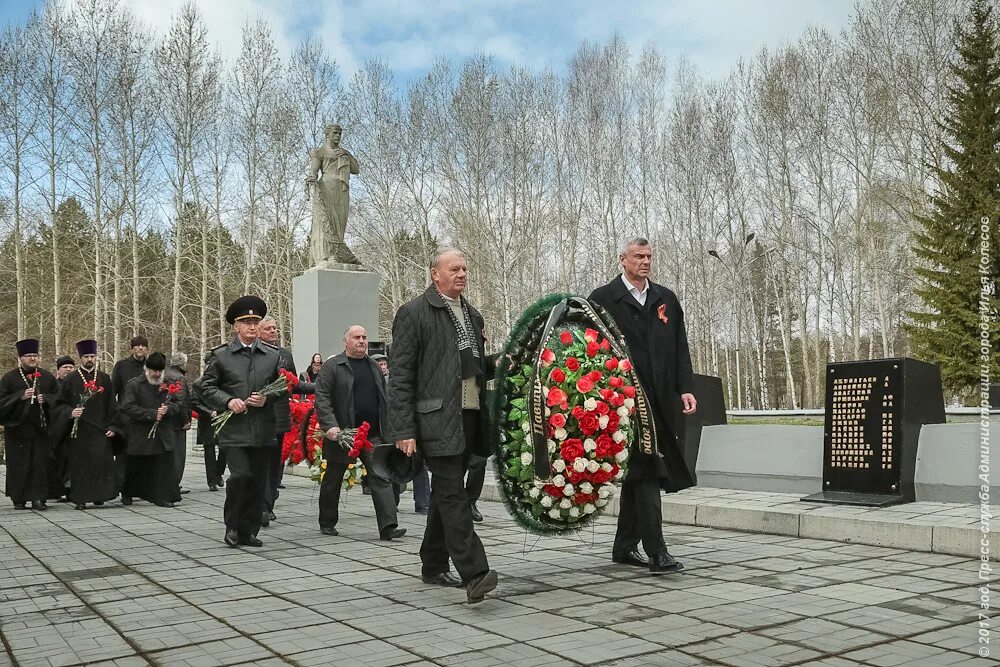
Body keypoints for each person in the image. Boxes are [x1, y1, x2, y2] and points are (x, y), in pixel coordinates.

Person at [387, 248, 498, 604]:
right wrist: (403, 429)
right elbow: (401, 376)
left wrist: (503, 361)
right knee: (452, 493)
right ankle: (476, 572)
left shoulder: (473, 315)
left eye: (465, 268)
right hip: (435, 418)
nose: (462, 274)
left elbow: (474, 369)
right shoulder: (414, 313)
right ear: (435, 274)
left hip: (469, 416)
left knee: (445, 495)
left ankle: (433, 564)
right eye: (455, 269)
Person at [588, 237, 697, 575]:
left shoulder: (665, 297)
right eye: (638, 256)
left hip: (662, 400)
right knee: (648, 469)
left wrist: (685, 388)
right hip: (624, 405)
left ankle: (623, 547)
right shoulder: (603, 299)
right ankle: (657, 552)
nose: (645, 261)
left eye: (649, 256)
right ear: (622, 259)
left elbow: (680, 346)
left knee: (639, 474)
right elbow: (591, 353)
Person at [199, 296, 286, 548]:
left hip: (262, 430)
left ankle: (249, 531)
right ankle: (233, 527)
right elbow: (205, 386)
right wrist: (227, 401)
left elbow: (282, 386)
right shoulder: (222, 356)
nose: (251, 326)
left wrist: (266, 398)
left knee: (258, 482)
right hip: (234, 432)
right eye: (245, 322)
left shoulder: (271, 356)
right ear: (235, 327)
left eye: (255, 321)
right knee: (240, 477)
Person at [315, 325, 405, 540]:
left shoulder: (373, 365)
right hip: (343, 434)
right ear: (345, 341)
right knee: (333, 478)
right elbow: (323, 398)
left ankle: (388, 526)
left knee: (380, 476)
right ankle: (327, 521)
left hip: (371, 434)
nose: (362, 341)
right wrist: (331, 426)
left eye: (364, 337)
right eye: (356, 337)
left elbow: (383, 398)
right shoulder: (332, 366)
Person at [258, 316, 313, 527]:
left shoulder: (285, 355)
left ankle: (268, 503)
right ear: (259, 331)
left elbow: (294, 385)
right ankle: (261, 506)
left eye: (275, 328)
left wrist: (320, 386)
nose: (273, 331)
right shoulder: (254, 354)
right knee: (261, 463)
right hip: (260, 415)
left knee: (275, 464)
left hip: (280, 416)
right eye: (268, 328)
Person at [52, 339, 120, 509]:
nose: (90, 359)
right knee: (81, 465)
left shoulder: (104, 378)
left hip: (100, 429)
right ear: (80, 358)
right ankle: (81, 498)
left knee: (100, 462)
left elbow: (112, 406)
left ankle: (99, 495)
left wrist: (113, 427)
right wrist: (70, 412)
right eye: (86, 356)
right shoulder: (71, 379)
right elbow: (58, 405)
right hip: (80, 431)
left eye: (92, 356)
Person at [0, 339, 59, 510]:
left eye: (35, 355)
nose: (32, 359)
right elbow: (1, 402)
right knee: (19, 464)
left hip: (40, 429)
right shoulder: (9, 378)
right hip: (17, 429)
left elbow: (59, 399)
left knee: (39, 464)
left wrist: (46, 399)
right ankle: (19, 498)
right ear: (20, 358)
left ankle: (38, 498)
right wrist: (20, 396)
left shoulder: (47, 376)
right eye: (28, 356)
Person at [119, 352, 184, 508]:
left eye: (159, 371)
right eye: (153, 370)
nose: (156, 374)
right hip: (141, 432)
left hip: (163, 433)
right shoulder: (134, 384)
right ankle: (128, 493)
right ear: (146, 369)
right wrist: (151, 414)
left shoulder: (169, 385)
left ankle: (163, 496)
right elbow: (127, 406)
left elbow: (177, 405)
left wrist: (168, 409)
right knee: (136, 466)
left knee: (163, 466)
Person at [111, 335, 148, 493]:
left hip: (145, 415)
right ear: (132, 348)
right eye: (137, 345)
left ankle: (140, 487)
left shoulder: (150, 365)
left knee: (142, 454)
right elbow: (113, 389)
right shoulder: (122, 365)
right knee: (125, 455)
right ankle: (124, 488)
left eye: (143, 346)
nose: (140, 348)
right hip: (126, 416)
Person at [194, 351, 226, 491]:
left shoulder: (223, 382)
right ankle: (211, 480)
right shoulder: (198, 383)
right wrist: (209, 412)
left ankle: (218, 472)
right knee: (209, 450)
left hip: (222, 418)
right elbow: (194, 402)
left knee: (225, 448)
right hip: (207, 420)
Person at [164, 353, 193, 497]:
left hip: (167, 420)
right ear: (183, 364)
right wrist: (186, 420)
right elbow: (181, 401)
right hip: (177, 422)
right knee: (178, 456)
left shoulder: (165, 374)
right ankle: (174, 485)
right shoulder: (179, 377)